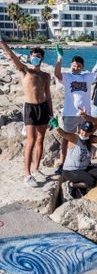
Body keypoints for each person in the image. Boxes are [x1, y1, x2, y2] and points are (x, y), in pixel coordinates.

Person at [0, 41, 52, 186]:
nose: (36, 58)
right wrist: (2, 43)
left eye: (38, 56)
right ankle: (27, 174)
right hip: (30, 108)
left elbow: (48, 96)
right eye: (33, 56)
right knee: (31, 141)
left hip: (43, 108)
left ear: (42, 59)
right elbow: (11, 56)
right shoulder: (24, 70)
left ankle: (36, 169)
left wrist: (52, 114)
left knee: (41, 139)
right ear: (30, 57)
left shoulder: (46, 76)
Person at [54, 53, 97, 175]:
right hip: (70, 113)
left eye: (79, 66)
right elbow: (57, 74)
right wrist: (59, 59)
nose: (76, 68)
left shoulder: (87, 76)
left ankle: (86, 161)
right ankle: (62, 162)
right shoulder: (67, 76)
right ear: (71, 65)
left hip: (85, 115)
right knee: (66, 138)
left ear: (82, 67)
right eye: (74, 66)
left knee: (86, 138)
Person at [53, 120, 97, 197]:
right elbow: (64, 134)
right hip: (70, 171)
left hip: (84, 169)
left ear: (90, 132)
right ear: (80, 129)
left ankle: (82, 186)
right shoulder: (74, 138)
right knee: (91, 182)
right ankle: (72, 185)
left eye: (87, 131)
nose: (84, 133)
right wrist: (56, 126)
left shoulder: (89, 139)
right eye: (83, 130)